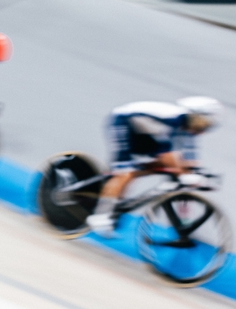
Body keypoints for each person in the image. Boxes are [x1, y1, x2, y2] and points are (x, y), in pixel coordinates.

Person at [86, 96, 224, 236]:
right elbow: (168, 153)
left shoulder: (187, 126)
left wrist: (197, 174)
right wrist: (185, 175)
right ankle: (100, 216)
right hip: (123, 123)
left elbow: (190, 157)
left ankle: (124, 181)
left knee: (164, 164)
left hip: (143, 130)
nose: (205, 129)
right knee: (125, 172)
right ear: (196, 116)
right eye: (205, 124)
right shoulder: (174, 119)